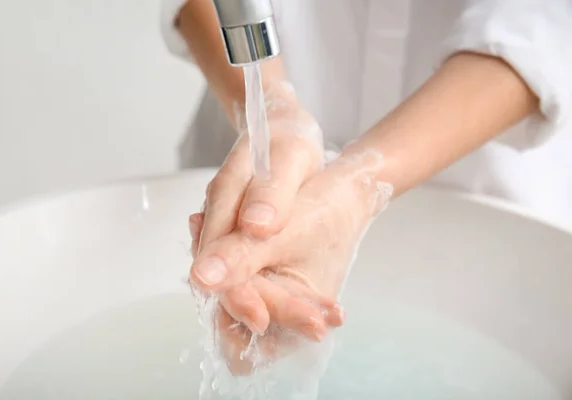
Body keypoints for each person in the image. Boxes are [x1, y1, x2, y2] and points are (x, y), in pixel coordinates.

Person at [161, 0, 572, 370]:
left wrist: (357, 186)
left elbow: (541, 24)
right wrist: (272, 110)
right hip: (242, 153)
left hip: (481, 190)